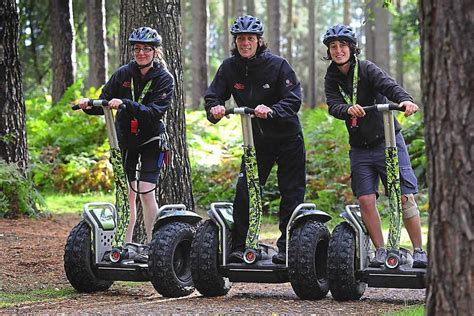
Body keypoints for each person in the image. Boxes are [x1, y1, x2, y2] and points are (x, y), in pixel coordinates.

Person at [322, 24, 427, 268]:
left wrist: (405, 101)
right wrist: (347, 109)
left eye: (342, 45)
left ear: (351, 47)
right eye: (333, 47)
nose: (338, 50)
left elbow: (388, 86)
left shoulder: (366, 68)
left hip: (387, 140)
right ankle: (381, 250)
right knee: (366, 200)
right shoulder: (331, 77)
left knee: (404, 197)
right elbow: (333, 105)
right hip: (360, 147)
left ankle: (419, 251)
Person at [204, 15, 305, 264]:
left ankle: (287, 248)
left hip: (288, 139)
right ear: (235, 41)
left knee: (290, 193)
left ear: (259, 41)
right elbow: (212, 96)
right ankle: (241, 246)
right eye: (240, 39)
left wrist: (272, 111)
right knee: (245, 191)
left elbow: (294, 100)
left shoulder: (278, 65)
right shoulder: (229, 68)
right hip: (256, 142)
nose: (245, 43)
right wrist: (215, 109)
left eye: (250, 38)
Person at [78, 26, 173, 252]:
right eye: (137, 49)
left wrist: (126, 104)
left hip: (151, 140)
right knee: (126, 193)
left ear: (155, 52)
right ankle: (124, 245)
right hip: (126, 141)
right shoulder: (123, 73)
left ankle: (155, 247)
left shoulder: (164, 78)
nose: (141, 53)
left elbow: (154, 112)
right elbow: (103, 102)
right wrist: (87, 105)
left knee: (147, 192)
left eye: (146, 49)